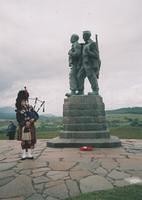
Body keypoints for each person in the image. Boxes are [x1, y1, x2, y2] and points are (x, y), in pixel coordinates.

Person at [15, 89, 39, 160]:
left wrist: (33, 120)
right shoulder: (19, 111)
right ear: (20, 102)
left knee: (30, 141)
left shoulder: (30, 108)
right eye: (23, 101)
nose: (24, 102)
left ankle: (29, 153)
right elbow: (18, 120)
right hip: (23, 127)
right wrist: (25, 123)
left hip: (31, 127)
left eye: (25, 101)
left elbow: (36, 116)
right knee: (24, 141)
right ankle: (23, 154)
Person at [77, 31, 101, 95]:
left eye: (84, 36)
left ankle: (95, 91)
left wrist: (89, 52)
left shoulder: (92, 44)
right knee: (79, 76)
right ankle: (80, 91)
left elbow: (96, 55)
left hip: (89, 64)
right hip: (83, 63)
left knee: (91, 76)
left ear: (87, 36)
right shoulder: (85, 44)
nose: (83, 37)